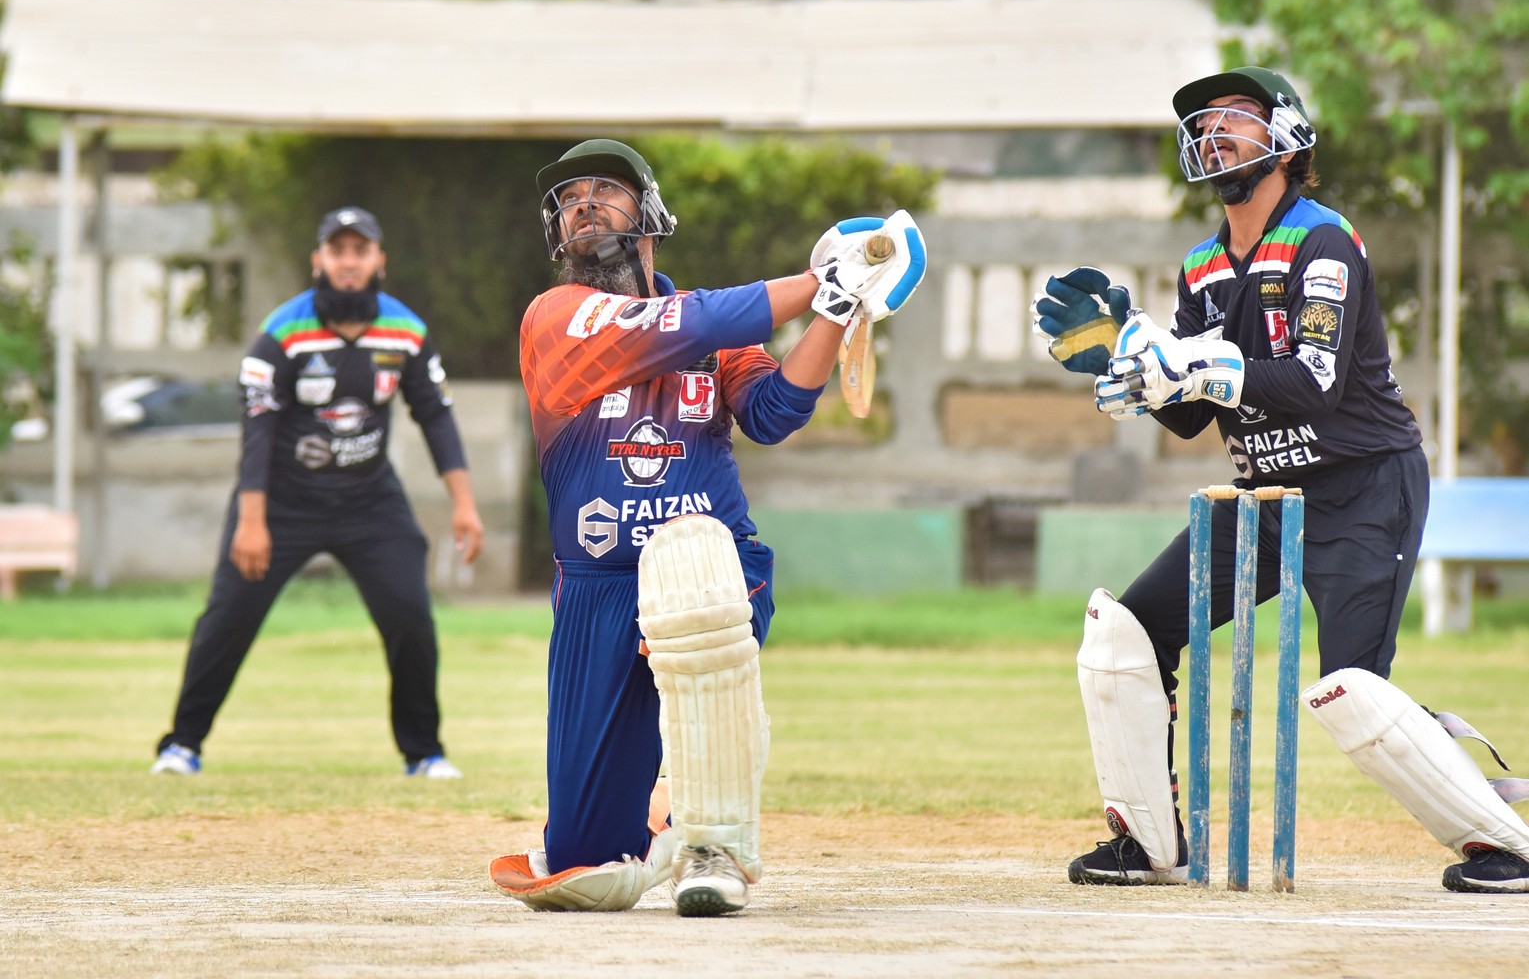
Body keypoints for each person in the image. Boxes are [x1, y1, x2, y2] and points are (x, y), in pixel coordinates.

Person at [1032, 66, 1529, 894]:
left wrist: (1197, 364)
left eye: (1235, 116)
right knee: (1125, 634)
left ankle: (1503, 838)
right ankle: (1149, 841)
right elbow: (1191, 417)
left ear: (1287, 138)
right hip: (1264, 498)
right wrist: (1135, 365)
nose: (1213, 131)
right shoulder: (1200, 266)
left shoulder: (1321, 240)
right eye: (1202, 122)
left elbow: (1314, 381)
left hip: (1363, 487)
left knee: (1352, 690)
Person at [488, 139, 925, 916]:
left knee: (695, 609)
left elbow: (773, 413)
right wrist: (821, 281)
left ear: (650, 213)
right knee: (592, 859)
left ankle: (713, 845)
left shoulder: (713, 331)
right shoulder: (555, 317)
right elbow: (687, 322)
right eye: (569, 198)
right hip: (594, 587)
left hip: (711, 566)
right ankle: (664, 810)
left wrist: (834, 310)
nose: (583, 204)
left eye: (605, 190)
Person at [151, 206, 484, 779]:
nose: (349, 263)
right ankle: (182, 745)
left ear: (379, 261)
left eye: (360, 251)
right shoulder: (282, 333)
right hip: (282, 503)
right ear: (319, 261)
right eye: (338, 251)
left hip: (370, 501)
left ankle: (424, 753)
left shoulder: (405, 330)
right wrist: (252, 521)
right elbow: (257, 430)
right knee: (228, 617)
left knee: (409, 614)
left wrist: (465, 505)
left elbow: (435, 415)